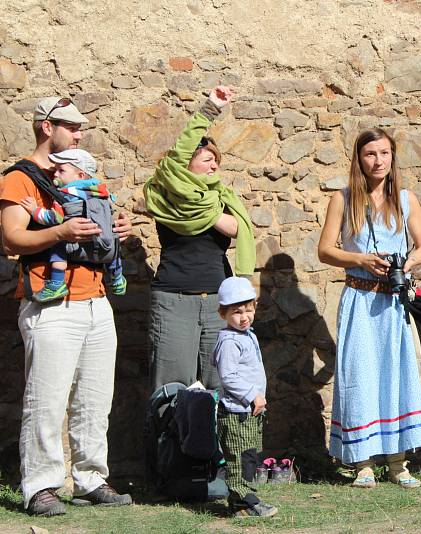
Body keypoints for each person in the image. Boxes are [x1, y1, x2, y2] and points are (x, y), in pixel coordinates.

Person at [0, 96, 133, 516]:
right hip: (51, 305)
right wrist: (60, 230)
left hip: (97, 302)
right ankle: (41, 486)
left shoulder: (83, 177)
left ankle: (91, 479)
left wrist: (115, 228)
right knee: (47, 399)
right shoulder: (21, 179)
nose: (79, 134)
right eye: (72, 127)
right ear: (46, 127)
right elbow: (10, 240)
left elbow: (98, 224)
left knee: (95, 399)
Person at [317, 127, 421, 489]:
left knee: (397, 373)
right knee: (359, 375)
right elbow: (325, 250)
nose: (378, 160)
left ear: (392, 156)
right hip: (359, 297)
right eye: (370, 154)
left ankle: (399, 462)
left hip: (393, 300)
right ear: (359, 158)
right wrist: (360, 259)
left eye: (384, 153)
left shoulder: (407, 199)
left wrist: (407, 266)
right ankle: (362, 463)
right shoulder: (344, 198)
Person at [144, 86, 255, 392]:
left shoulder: (220, 196)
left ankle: (216, 442)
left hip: (219, 302)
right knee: (170, 388)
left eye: (216, 161)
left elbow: (236, 229)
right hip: (173, 301)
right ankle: (171, 442)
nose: (214, 166)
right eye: (207, 160)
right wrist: (210, 108)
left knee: (222, 384)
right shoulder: (164, 193)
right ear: (186, 165)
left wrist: (209, 212)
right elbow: (178, 153)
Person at [20, 148, 126, 302]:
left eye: (61, 170)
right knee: (113, 240)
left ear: (80, 175)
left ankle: (57, 283)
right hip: (103, 245)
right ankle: (117, 279)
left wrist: (34, 210)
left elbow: (53, 218)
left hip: (77, 246)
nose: (55, 174)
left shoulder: (66, 195)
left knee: (58, 244)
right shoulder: (102, 193)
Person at [212, 276, 277, 518]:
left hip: (248, 411)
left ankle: (239, 504)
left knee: (249, 455)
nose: (244, 317)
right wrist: (253, 395)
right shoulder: (229, 341)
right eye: (237, 312)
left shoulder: (247, 335)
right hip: (236, 413)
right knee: (239, 458)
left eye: (248, 310)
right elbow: (228, 376)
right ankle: (246, 501)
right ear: (223, 313)